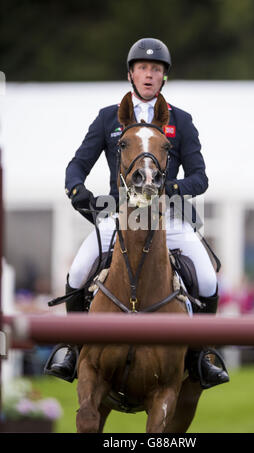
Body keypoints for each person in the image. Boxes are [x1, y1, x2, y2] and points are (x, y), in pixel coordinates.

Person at [47, 38, 229, 388]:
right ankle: (73, 348)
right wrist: (77, 191)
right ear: (131, 73)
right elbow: (77, 164)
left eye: (156, 69)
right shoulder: (107, 119)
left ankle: (201, 355)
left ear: (163, 78)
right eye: (143, 68)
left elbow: (200, 178)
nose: (149, 74)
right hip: (121, 216)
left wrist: (168, 190)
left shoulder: (181, 121)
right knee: (77, 271)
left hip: (167, 218)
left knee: (207, 279)